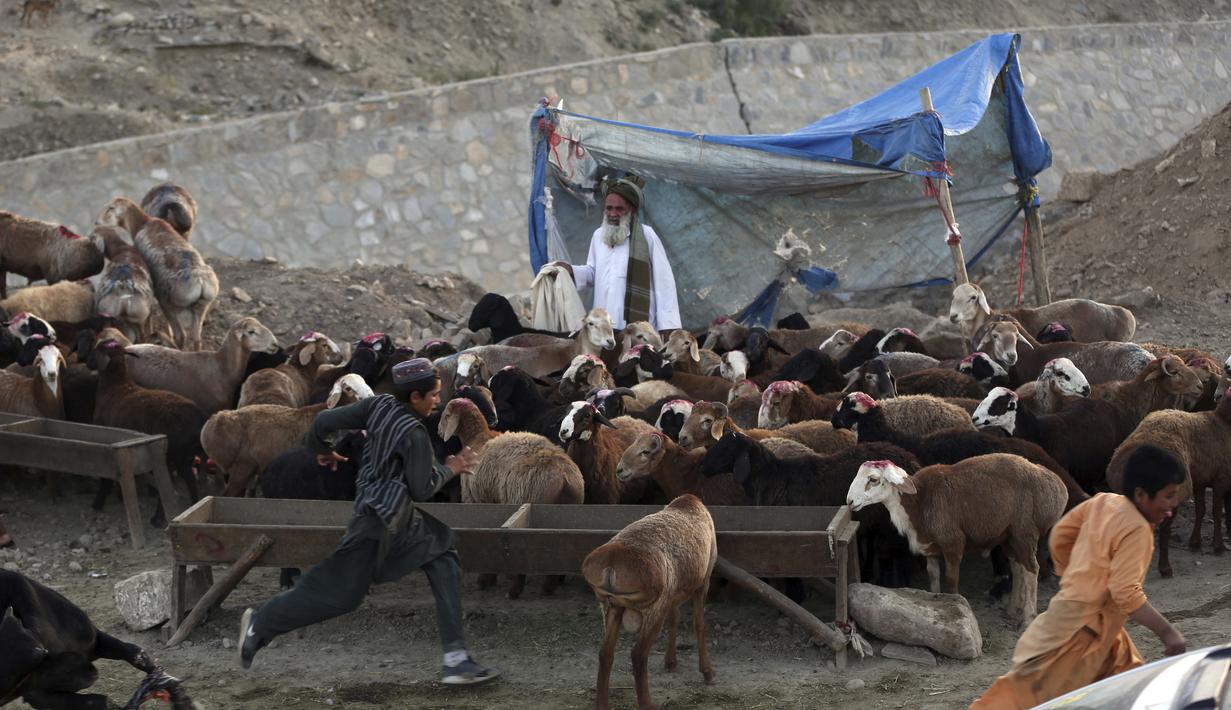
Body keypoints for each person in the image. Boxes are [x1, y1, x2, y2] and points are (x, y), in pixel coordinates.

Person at [237, 357, 501, 686]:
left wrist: (323, 449)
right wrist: (454, 467)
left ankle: (455, 659)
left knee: (442, 552)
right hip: (378, 521)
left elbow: (322, 423)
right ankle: (259, 624)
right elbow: (423, 487)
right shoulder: (415, 434)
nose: (437, 401)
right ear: (414, 398)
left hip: (391, 514)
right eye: (432, 395)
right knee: (339, 595)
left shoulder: (379, 405)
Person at [969, 445, 1187, 709]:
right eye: (1169, 496)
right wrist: (1167, 632)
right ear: (1141, 495)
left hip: (1095, 628)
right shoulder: (1138, 531)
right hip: (1079, 639)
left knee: (1131, 686)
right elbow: (1125, 592)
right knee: (1025, 698)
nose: (1174, 504)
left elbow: (1061, 536)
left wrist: (1077, 577)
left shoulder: (1103, 501)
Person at [551, 174, 681, 332]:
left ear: (632, 210)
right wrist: (571, 270)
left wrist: (668, 326)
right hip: (603, 326)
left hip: (637, 327)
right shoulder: (599, 235)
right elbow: (593, 272)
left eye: (619, 209)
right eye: (609, 208)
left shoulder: (647, 236)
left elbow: (664, 283)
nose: (612, 214)